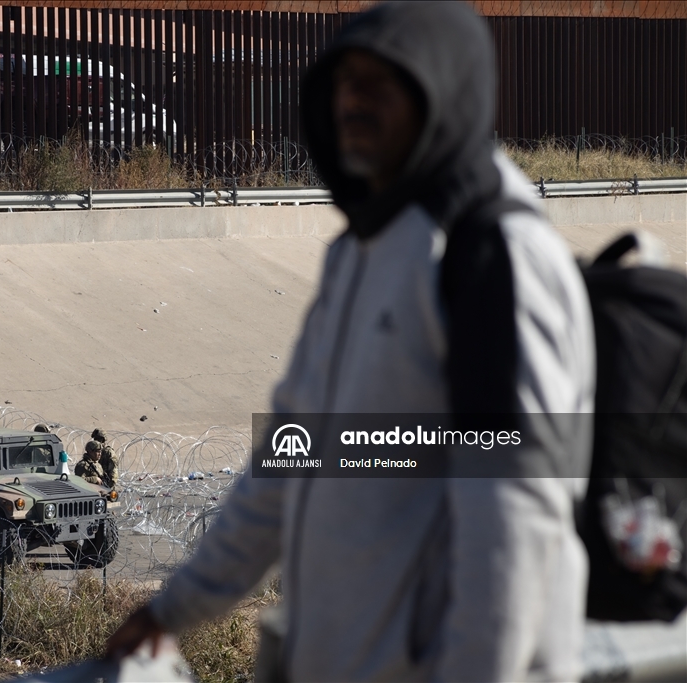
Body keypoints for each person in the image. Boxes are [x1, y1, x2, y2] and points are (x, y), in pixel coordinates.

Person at [106, 3, 595, 682]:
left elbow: (516, 513)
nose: (354, 98)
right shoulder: (363, 250)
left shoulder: (493, 256)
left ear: (443, 96)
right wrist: (176, 608)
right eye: (345, 79)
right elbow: (290, 454)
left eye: (382, 82)